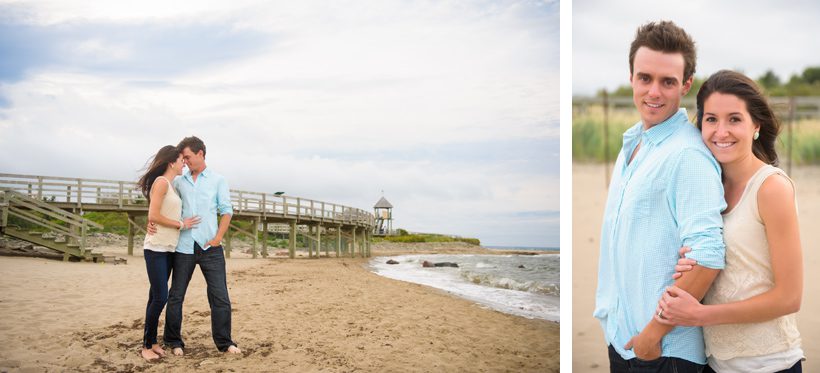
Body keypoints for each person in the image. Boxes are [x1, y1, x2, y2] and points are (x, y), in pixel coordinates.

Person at [594, 21, 727, 372]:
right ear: (632, 77)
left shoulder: (688, 155)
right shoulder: (633, 145)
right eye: (645, 78)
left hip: (664, 352)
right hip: (624, 339)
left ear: (686, 85)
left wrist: (652, 336)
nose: (654, 92)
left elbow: (708, 256)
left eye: (667, 82)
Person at [655, 70, 803, 373]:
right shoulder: (708, 186)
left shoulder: (771, 188)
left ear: (756, 125)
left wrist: (699, 315)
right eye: (711, 119)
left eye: (734, 119)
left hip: (769, 364)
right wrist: (690, 260)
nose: (721, 131)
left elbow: (790, 297)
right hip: (715, 362)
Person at [157, 136, 241, 355]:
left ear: (201, 154)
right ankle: (173, 341)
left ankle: (225, 342)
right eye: (183, 158)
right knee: (176, 295)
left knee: (220, 296)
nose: (184, 162)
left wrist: (217, 239)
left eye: (188, 157)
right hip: (183, 246)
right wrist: (152, 221)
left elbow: (226, 210)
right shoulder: (178, 182)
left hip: (210, 248)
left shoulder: (218, 180)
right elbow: (163, 204)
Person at [135, 145, 200, 361]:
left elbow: (156, 212)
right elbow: (154, 215)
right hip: (156, 248)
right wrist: (181, 224)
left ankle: (152, 341)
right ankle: (146, 346)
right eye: (181, 160)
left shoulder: (170, 185)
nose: (184, 163)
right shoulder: (161, 182)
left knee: (155, 296)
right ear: (172, 162)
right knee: (161, 296)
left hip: (169, 248)